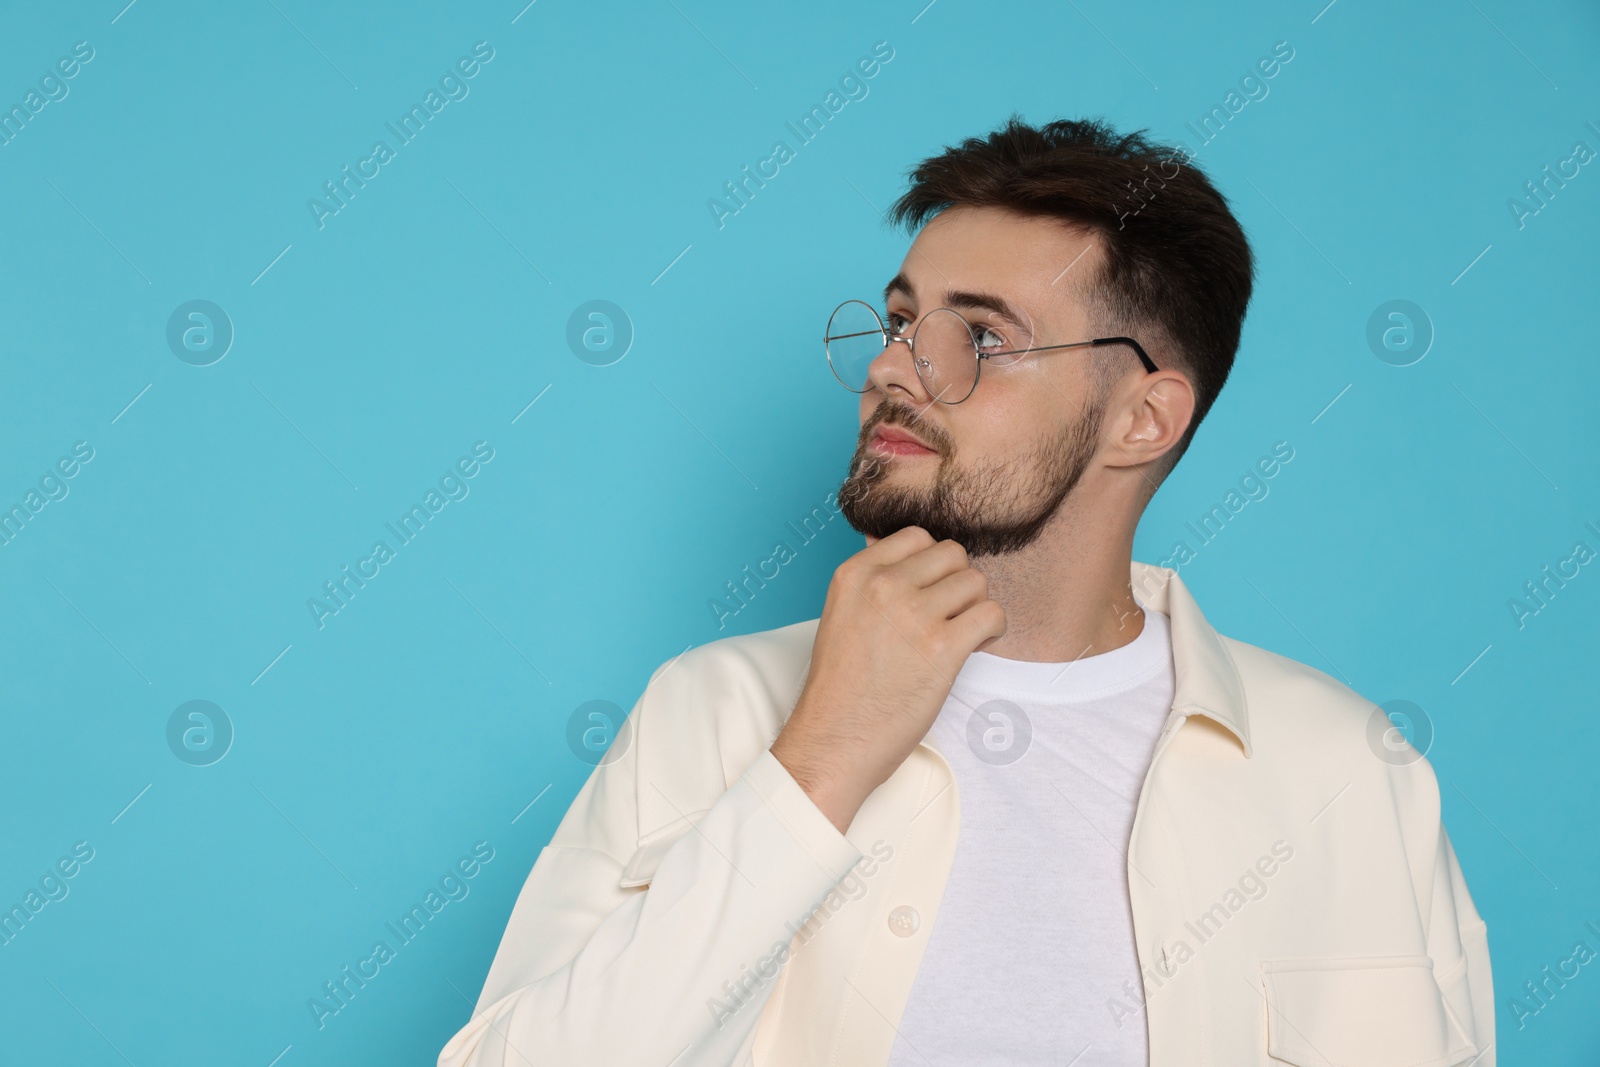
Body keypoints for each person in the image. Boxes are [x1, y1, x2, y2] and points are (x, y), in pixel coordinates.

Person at [436, 116, 1494, 1067]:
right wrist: (819, 762)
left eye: (980, 337)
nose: (897, 369)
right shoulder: (712, 709)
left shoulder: (1348, 769)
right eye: (901, 322)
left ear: (1144, 418)